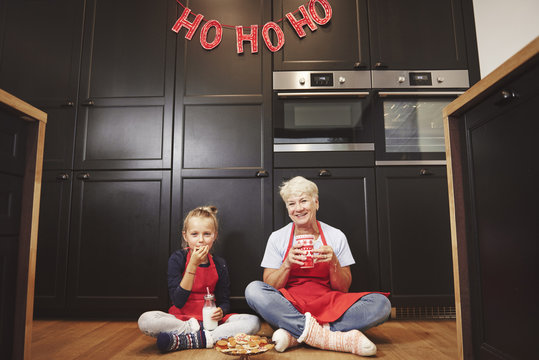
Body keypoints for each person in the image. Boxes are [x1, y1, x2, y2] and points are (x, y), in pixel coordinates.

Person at [245, 176, 391, 356]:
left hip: (329, 304)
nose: (298, 208)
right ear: (287, 209)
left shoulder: (336, 236)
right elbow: (270, 286)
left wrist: (334, 263)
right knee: (253, 290)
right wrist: (287, 264)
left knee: (381, 304)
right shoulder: (277, 238)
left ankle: (295, 333)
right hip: (290, 305)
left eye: (304, 201)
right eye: (291, 204)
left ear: (316, 203)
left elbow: (343, 288)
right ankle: (329, 336)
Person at [138, 205, 260, 353]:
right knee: (146, 320)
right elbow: (178, 301)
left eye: (207, 234)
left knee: (253, 322)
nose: (201, 240)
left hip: (212, 321)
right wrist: (193, 265)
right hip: (183, 320)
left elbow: (224, 301)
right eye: (194, 234)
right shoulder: (177, 259)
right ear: (185, 236)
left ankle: (189, 340)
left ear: (214, 236)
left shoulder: (220, 264)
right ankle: (206, 336)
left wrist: (221, 310)